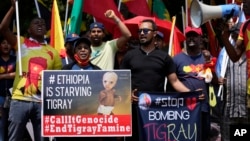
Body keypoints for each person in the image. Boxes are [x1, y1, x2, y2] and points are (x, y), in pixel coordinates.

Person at [120, 19, 203, 141]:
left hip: (155, 111)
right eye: (140, 31)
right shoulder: (129, 56)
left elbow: (174, 82)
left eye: (146, 30)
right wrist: (127, 95)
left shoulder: (164, 57)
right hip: (133, 109)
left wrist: (192, 95)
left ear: (154, 33)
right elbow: (122, 81)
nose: (142, 33)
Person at [0, 1, 62, 141]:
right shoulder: (21, 43)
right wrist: (12, 8)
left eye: (43, 24)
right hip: (19, 100)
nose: (40, 25)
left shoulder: (53, 52)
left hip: (42, 103)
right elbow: (3, 28)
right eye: (36, 23)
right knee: (14, 137)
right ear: (29, 30)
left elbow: (57, 79)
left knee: (42, 138)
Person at [170, 26, 211, 141]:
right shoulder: (176, 59)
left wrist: (209, 63)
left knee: (203, 137)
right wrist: (191, 94)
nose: (191, 38)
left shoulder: (207, 57)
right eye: (188, 36)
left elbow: (215, 81)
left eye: (194, 36)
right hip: (183, 109)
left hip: (203, 107)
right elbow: (172, 82)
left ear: (200, 38)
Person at [217, 23, 249, 141]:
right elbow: (215, 74)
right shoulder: (226, 54)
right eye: (234, 35)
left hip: (247, 109)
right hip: (231, 109)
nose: (237, 39)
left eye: (239, 35)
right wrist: (219, 79)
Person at [0, 36, 16, 141]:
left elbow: (19, 74)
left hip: (14, 97)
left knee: (13, 126)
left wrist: (2, 76)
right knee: (1, 125)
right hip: (0, 98)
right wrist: (11, 74)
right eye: (3, 43)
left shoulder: (16, 60)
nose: (6, 45)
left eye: (8, 43)